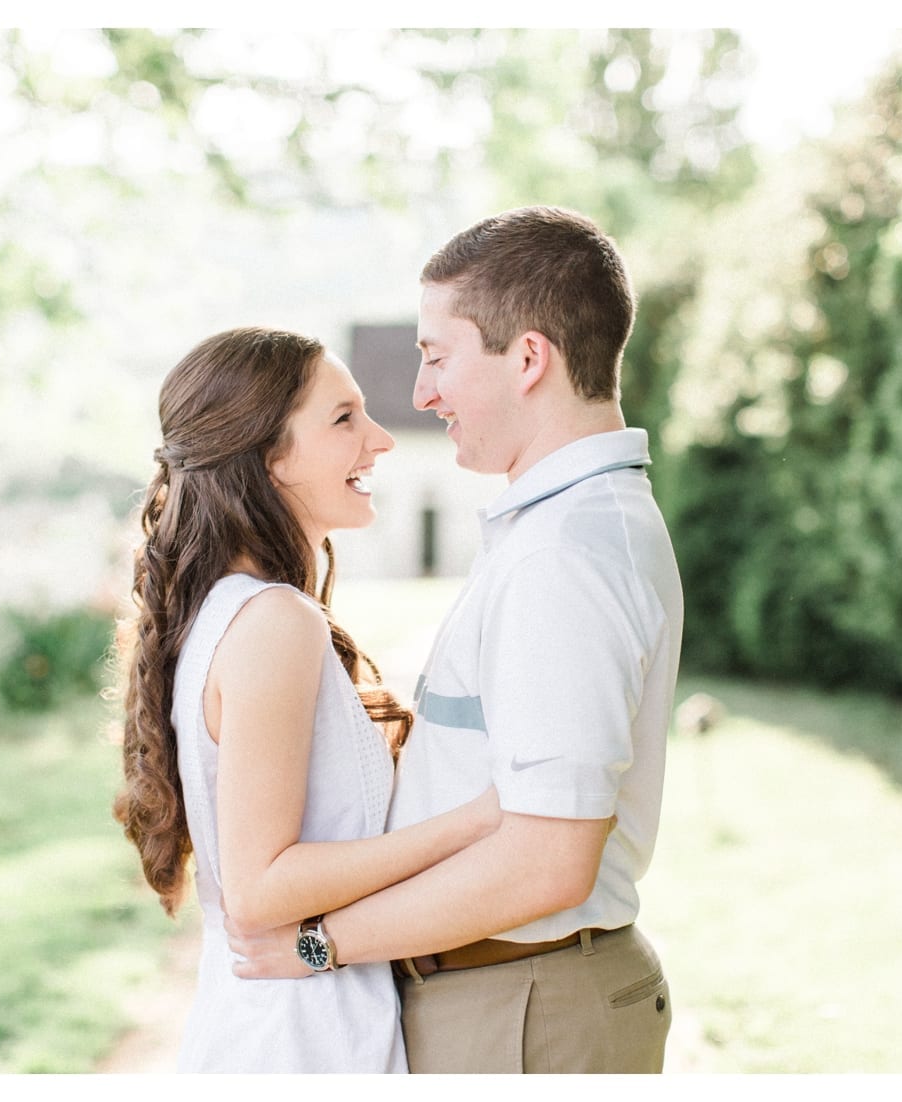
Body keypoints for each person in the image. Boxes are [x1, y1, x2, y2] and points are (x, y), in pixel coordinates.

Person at [227, 206, 684, 1074]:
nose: (423, 392)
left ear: (528, 358)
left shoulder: (566, 554)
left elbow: (548, 864)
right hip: (507, 1000)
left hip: (523, 1011)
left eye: (437, 356)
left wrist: (320, 944)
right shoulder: (553, 528)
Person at [113, 326, 500, 1073]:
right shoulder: (272, 621)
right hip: (295, 1045)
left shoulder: (241, 611)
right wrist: (477, 822)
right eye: (345, 419)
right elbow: (260, 891)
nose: (381, 439)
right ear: (269, 457)